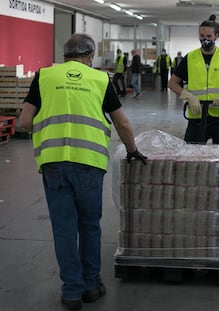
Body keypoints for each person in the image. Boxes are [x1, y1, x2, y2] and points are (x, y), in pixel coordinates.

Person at [19, 33, 147, 311]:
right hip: (89, 164)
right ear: (89, 56)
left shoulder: (44, 76)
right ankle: (91, 286)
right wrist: (132, 150)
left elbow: (25, 121)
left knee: (64, 228)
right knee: (89, 226)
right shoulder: (101, 80)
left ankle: (72, 292)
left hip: (53, 164)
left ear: (65, 56)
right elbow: (122, 123)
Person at [168, 14, 219, 144]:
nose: (205, 39)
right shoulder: (190, 57)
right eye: (202, 36)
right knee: (193, 154)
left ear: (217, 36)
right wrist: (188, 96)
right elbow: (172, 83)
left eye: (209, 37)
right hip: (197, 115)